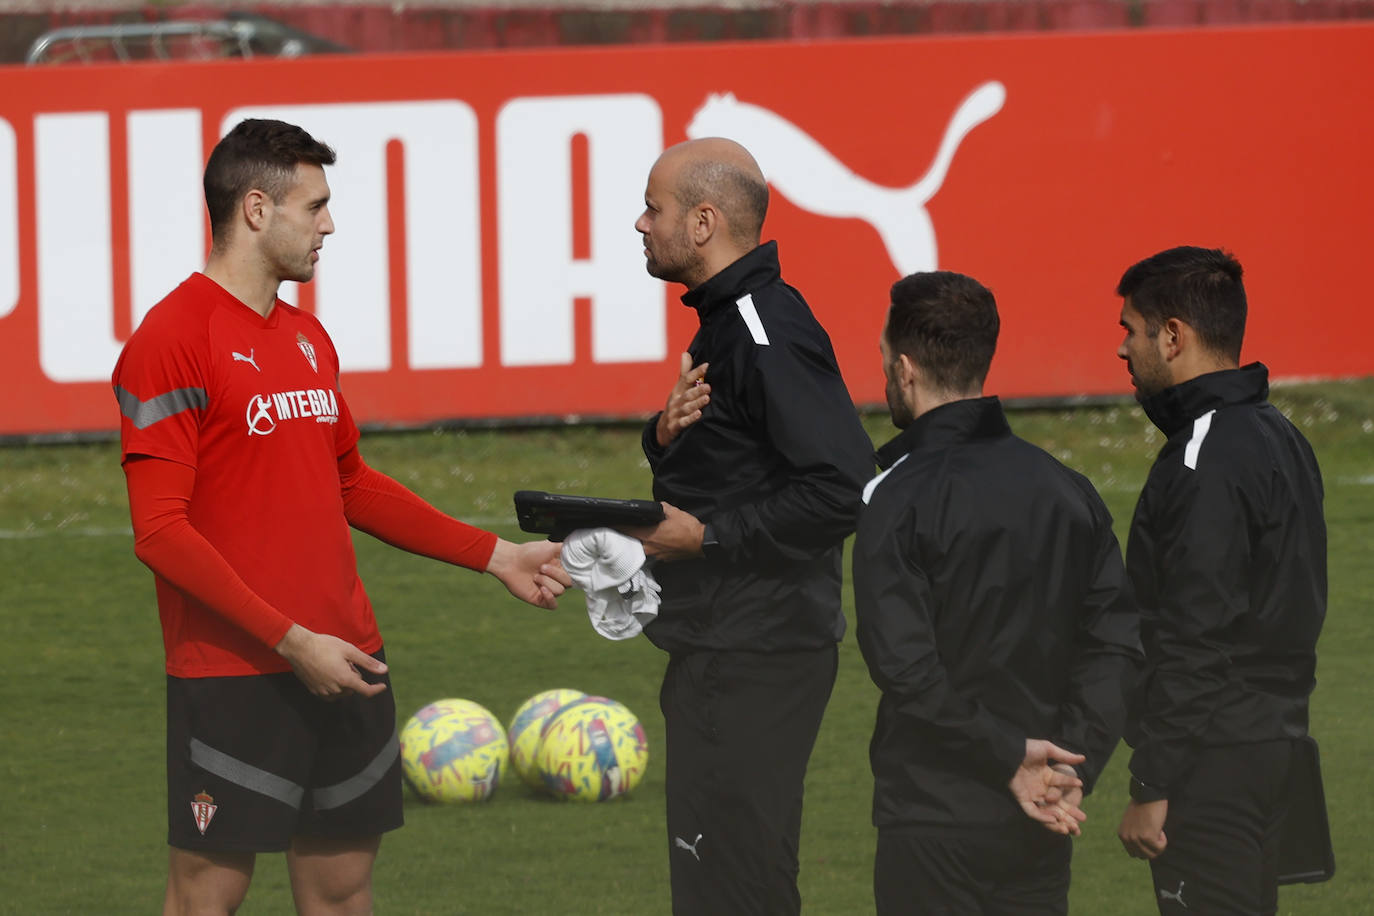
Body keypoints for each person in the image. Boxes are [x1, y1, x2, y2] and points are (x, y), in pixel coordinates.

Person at [111, 118, 571, 916]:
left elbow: (350, 482)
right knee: (206, 896)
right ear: (256, 209)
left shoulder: (306, 338)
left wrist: (495, 554)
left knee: (341, 892)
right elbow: (159, 530)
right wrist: (291, 641)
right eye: (314, 206)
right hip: (236, 674)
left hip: (350, 660)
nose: (329, 225)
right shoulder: (171, 340)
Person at [625, 137, 874, 915]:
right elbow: (736, 461)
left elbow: (843, 487)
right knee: (714, 883)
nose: (639, 224)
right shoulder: (730, 320)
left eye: (653, 208)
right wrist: (662, 437)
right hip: (722, 644)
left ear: (704, 222)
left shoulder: (763, 326)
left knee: (740, 886)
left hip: (757, 652)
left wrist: (705, 539)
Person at [851, 270, 1142, 914]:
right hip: (1039, 820)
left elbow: (904, 667)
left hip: (931, 820)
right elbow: (1117, 647)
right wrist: (1070, 770)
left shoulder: (895, 496)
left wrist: (1010, 756)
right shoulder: (1069, 490)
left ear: (904, 369)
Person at [1113, 246, 1327, 914]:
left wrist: (1152, 781)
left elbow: (1195, 632)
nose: (1123, 350)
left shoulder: (1205, 455)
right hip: (1275, 747)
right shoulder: (1281, 435)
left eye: (1130, 329)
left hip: (1211, 761)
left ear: (1172, 336)